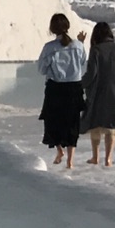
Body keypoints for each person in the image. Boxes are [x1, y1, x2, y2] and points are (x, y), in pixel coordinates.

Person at [36, 12, 88, 170]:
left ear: (52, 29)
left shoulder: (49, 48)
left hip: (56, 89)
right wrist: (80, 42)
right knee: (72, 123)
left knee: (53, 121)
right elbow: (82, 62)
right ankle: (70, 161)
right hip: (74, 88)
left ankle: (59, 151)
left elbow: (42, 69)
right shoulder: (78, 46)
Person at [81, 21, 115, 166]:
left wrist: (79, 85)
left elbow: (91, 74)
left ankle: (95, 157)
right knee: (112, 126)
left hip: (100, 93)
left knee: (96, 125)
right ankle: (108, 158)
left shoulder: (96, 50)